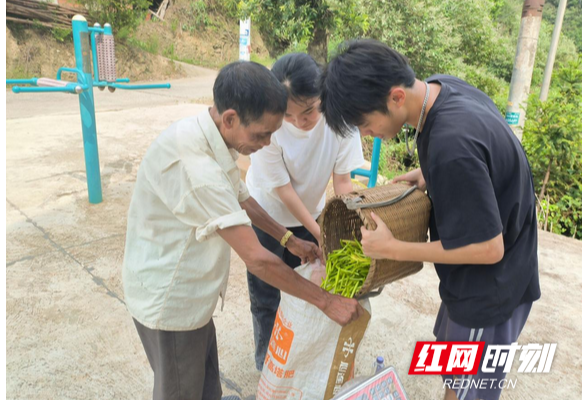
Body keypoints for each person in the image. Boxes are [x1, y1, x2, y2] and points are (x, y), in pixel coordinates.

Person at [122, 61, 363, 400]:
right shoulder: (196, 169)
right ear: (231, 118)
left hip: (193, 296)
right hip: (170, 301)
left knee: (205, 385)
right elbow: (258, 260)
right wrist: (326, 302)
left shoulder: (209, 134)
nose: (266, 144)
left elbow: (241, 197)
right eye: (261, 135)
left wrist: (289, 239)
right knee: (181, 389)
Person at [320, 39, 540, 400]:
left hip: (491, 286)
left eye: (364, 123)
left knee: (468, 389)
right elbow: (484, 152)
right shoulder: (441, 89)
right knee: (455, 375)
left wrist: (394, 248)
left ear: (395, 97)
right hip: (476, 277)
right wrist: (428, 174)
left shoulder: (451, 145)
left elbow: (488, 248)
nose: (365, 133)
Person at [245, 53, 365, 371]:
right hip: (267, 216)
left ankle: (300, 355)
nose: (301, 122)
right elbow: (282, 190)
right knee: (267, 291)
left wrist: (346, 230)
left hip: (311, 214)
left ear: (323, 93)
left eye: (309, 110)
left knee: (310, 288)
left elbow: (342, 182)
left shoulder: (341, 121)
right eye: (289, 115)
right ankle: (267, 362)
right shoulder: (268, 122)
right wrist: (317, 232)